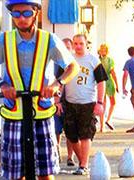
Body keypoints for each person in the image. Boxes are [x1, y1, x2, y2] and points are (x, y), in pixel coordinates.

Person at [0, 0, 79, 179]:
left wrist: (56, 85)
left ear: (36, 13)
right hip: (14, 111)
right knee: (15, 172)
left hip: (41, 110)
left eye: (26, 13)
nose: (21, 18)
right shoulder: (4, 39)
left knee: (46, 171)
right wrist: (2, 85)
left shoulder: (49, 39)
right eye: (16, 14)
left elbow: (72, 67)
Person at [64, 34, 108, 175]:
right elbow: (61, 80)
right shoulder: (68, 60)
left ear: (86, 44)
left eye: (80, 44)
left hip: (87, 102)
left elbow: (102, 82)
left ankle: (83, 165)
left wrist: (100, 102)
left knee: (85, 135)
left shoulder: (93, 61)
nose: (77, 46)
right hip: (70, 102)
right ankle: (82, 160)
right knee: (71, 135)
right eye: (75, 43)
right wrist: (57, 100)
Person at [54, 37, 76, 166]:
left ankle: (70, 156)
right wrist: (57, 101)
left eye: (68, 47)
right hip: (59, 102)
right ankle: (56, 153)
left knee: (70, 131)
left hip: (72, 102)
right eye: (63, 47)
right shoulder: (56, 64)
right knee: (56, 130)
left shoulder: (74, 64)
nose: (65, 50)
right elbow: (56, 83)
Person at [98, 43, 119, 132]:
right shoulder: (110, 60)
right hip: (109, 82)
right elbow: (113, 73)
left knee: (102, 104)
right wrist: (117, 85)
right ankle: (108, 119)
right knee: (113, 103)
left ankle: (102, 127)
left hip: (100, 81)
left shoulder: (97, 60)